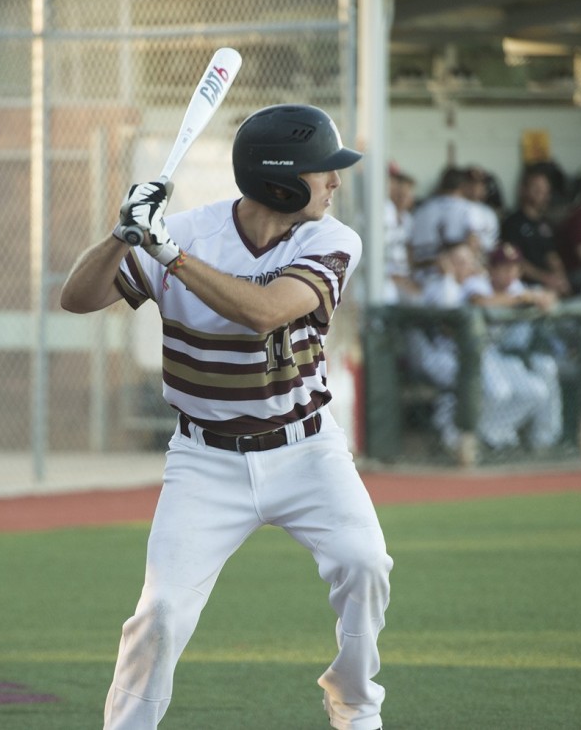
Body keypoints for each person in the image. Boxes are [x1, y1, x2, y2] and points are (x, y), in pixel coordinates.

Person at [60, 104, 392, 730]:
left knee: (365, 564)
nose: (336, 182)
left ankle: (354, 705)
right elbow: (77, 298)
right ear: (283, 183)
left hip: (308, 451)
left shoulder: (329, 238)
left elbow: (266, 311)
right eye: (324, 172)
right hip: (205, 460)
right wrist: (121, 234)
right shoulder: (187, 232)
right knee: (159, 614)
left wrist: (170, 255)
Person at [462, 242, 563, 450]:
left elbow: (550, 296)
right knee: (499, 392)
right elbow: (480, 303)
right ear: (491, 269)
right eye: (504, 267)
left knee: (537, 392)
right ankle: (483, 436)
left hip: (496, 353)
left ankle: (491, 434)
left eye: (515, 268)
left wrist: (544, 297)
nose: (510, 273)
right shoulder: (476, 283)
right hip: (469, 350)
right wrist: (521, 298)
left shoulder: (516, 288)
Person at [406, 165, 486, 288]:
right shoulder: (469, 209)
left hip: (421, 279)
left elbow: (409, 249)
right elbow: (473, 243)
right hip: (454, 281)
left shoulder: (420, 210)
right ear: (463, 186)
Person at [500, 168, 570, 296]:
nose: (541, 193)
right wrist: (545, 278)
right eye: (536, 188)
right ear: (524, 190)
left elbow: (552, 256)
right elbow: (515, 260)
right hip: (523, 285)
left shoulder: (546, 224)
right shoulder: (512, 223)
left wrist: (560, 279)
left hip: (549, 285)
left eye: (545, 190)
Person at [381, 163, 418, 305]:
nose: (404, 196)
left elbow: (409, 252)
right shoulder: (383, 210)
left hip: (402, 276)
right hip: (383, 276)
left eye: (408, 193)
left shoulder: (407, 219)